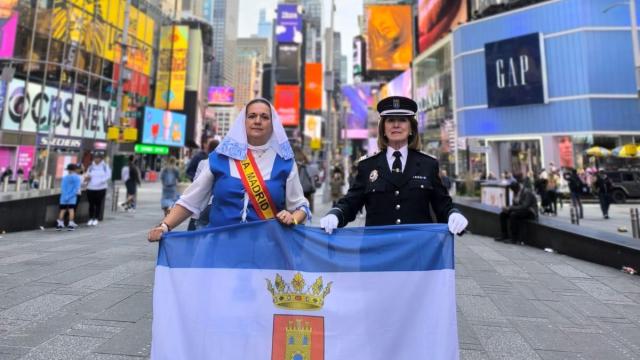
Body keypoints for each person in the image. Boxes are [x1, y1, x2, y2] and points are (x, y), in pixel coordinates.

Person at [148, 98, 310, 241]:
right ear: (243, 121)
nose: (258, 121)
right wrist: (164, 226)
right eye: (252, 116)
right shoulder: (220, 158)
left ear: (273, 124)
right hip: (219, 249)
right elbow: (190, 201)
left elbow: (300, 207)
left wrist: (293, 218)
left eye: (265, 117)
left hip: (267, 251)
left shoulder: (285, 163)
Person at [319, 96, 468, 235]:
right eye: (390, 120)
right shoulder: (367, 165)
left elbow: (442, 204)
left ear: (411, 128)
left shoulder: (428, 164)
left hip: (417, 254)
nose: (396, 125)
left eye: (402, 120)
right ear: (383, 128)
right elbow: (351, 203)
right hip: (378, 255)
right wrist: (336, 214)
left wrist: (454, 214)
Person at [187, 139, 220, 230]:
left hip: (202, 204)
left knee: (195, 232)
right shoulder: (224, 164)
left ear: (208, 148)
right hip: (216, 205)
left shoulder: (203, 162)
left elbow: (196, 182)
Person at [85, 153, 111, 226]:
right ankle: (90, 218)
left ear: (101, 159)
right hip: (90, 187)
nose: (96, 159)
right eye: (95, 158)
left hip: (101, 188)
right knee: (91, 204)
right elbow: (87, 174)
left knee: (98, 204)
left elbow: (108, 176)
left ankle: (96, 218)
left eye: (98, 158)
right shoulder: (91, 167)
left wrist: (101, 181)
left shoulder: (105, 166)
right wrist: (87, 178)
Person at [56, 163, 82, 231]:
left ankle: (60, 224)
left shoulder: (65, 177)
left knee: (62, 210)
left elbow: (62, 187)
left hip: (63, 196)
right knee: (71, 210)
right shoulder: (77, 177)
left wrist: (65, 195)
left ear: (68, 170)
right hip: (72, 197)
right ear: (75, 169)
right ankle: (70, 224)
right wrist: (71, 195)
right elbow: (77, 188)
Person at [294, 147, 317, 213]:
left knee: (297, 206)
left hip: (298, 189)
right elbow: (312, 176)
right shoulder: (306, 162)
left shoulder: (294, 161)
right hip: (307, 189)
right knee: (307, 207)